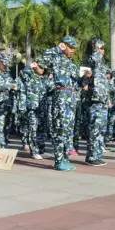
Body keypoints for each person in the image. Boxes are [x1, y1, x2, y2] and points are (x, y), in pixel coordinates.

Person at [43, 36, 80, 171]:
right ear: (64, 46)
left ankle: (65, 158)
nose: (73, 50)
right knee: (60, 129)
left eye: (74, 48)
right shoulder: (56, 58)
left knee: (68, 130)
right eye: (70, 47)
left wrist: (86, 77)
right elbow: (43, 59)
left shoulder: (71, 64)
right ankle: (58, 160)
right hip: (61, 97)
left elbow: (78, 81)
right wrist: (57, 48)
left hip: (71, 97)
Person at [82, 39, 109, 166]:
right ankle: (92, 156)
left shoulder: (102, 63)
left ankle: (97, 154)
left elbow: (105, 82)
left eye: (103, 48)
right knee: (94, 128)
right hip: (94, 99)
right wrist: (96, 50)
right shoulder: (91, 59)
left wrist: (108, 99)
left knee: (101, 128)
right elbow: (84, 77)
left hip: (102, 99)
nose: (103, 51)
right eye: (101, 48)